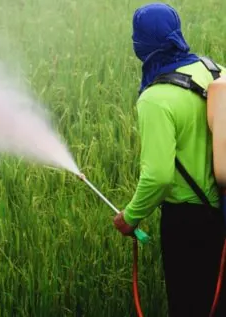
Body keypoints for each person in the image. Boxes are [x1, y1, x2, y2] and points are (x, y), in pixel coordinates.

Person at [112, 2, 226, 316]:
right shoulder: (212, 70)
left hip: (190, 221)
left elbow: (158, 176)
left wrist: (131, 216)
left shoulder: (155, 98)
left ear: (142, 45)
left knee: (189, 303)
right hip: (223, 208)